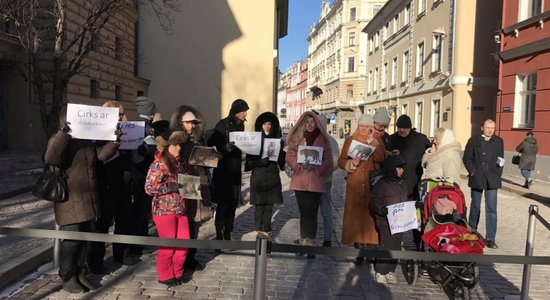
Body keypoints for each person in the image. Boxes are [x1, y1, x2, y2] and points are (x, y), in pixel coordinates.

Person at [44, 105, 119, 293]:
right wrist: (64, 133)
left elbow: (100, 156)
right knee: (72, 240)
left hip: (89, 198)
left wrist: (115, 140)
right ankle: (67, 275)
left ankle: (80, 272)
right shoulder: (59, 139)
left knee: (85, 239)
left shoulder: (85, 142)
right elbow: (51, 158)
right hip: (71, 200)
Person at [88, 100, 134, 274]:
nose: (121, 117)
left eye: (121, 114)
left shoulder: (125, 131)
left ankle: (122, 254)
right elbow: (98, 158)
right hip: (105, 187)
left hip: (123, 185)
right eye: (117, 114)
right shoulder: (97, 135)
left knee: (124, 222)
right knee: (102, 225)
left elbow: (129, 156)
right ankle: (96, 260)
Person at [169, 105, 215, 273]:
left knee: (196, 223)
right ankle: (183, 257)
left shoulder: (199, 139)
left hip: (199, 184)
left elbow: (206, 164)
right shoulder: (175, 140)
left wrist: (214, 157)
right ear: (180, 123)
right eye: (187, 123)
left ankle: (190, 256)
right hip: (184, 184)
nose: (191, 126)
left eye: (193, 123)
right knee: (185, 223)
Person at [145, 130, 191, 286]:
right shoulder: (158, 163)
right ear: (167, 146)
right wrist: (168, 187)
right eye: (175, 144)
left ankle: (178, 271)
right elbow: (149, 188)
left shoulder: (180, 162)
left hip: (180, 208)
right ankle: (165, 275)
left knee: (184, 243)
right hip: (164, 210)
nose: (179, 147)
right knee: (168, 245)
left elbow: (186, 183)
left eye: (180, 144)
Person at [338, 114, 386, 264]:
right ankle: (358, 246)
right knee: (356, 215)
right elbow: (341, 161)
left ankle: (369, 246)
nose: (364, 129)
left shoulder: (377, 140)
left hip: (371, 183)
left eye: (367, 126)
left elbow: (381, 158)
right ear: (358, 126)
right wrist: (351, 164)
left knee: (370, 216)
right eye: (362, 126)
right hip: (356, 183)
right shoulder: (350, 140)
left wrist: (374, 144)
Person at [285, 111, 333, 257]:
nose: (310, 125)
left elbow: (328, 159)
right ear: (303, 123)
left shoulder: (322, 139)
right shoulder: (296, 138)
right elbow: (289, 155)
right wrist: (298, 165)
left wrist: (317, 168)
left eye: (313, 122)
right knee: (304, 212)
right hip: (300, 180)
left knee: (312, 213)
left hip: (315, 182)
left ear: (316, 123)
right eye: (307, 122)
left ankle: (310, 243)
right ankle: (303, 241)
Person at [208, 99, 249, 246]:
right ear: (237, 112)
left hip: (235, 171)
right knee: (223, 205)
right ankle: (219, 236)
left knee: (232, 204)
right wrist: (225, 149)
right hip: (222, 171)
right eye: (244, 111)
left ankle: (229, 233)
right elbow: (213, 147)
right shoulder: (222, 125)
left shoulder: (241, 125)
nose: (246, 114)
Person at [389, 114, 431, 250]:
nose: (402, 131)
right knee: (397, 216)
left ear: (410, 128)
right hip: (397, 185)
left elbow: (430, 153)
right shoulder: (392, 139)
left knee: (416, 217)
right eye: (399, 128)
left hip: (415, 184)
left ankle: (418, 243)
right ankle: (395, 243)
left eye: (405, 128)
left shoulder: (420, 139)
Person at [463, 119, 504, 249]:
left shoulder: (498, 141)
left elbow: (501, 159)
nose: (490, 130)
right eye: (488, 127)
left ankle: (490, 238)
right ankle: (472, 231)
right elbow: (467, 158)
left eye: (492, 127)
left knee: (491, 209)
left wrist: (498, 173)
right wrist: (473, 172)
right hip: (477, 177)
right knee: (475, 206)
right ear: (482, 128)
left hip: (492, 179)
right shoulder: (473, 140)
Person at [245, 112, 285, 240]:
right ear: (260, 126)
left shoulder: (277, 140)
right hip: (259, 177)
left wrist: (283, 155)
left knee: (269, 206)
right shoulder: (254, 141)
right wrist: (260, 162)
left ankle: (267, 229)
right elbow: (248, 164)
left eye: (269, 124)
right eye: (265, 124)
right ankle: (258, 229)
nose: (267, 126)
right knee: (259, 206)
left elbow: (281, 163)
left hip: (272, 177)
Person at [370, 155, 409, 284]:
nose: (402, 170)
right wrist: (382, 210)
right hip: (385, 222)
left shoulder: (402, 183)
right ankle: (381, 271)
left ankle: (390, 270)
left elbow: (405, 200)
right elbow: (375, 201)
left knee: (397, 246)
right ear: (392, 169)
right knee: (387, 245)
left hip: (399, 222)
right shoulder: (382, 184)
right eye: (399, 168)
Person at [131, 96, 161, 255]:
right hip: (141, 173)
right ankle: (137, 244)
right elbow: (135, 154)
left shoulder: (146, 126)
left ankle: (142, 240)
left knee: (143, 210)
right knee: (140, 211)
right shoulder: (140, 127)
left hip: (144, 173)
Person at [316, 114, 339, 247]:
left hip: (324, 180)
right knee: (312, 212)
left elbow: (335, 162)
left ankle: (327, 238)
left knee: (325, 210)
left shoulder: (331, 141)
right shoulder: (311, 139)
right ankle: (309, 237)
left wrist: (323, 170)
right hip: (312, 181)